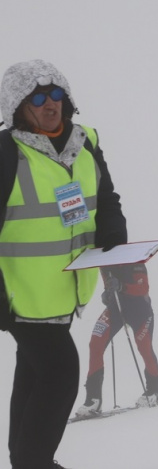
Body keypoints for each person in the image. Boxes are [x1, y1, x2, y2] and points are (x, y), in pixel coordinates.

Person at [0, 59, 127, 469]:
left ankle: (23, 458)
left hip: (67, 289)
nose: (49, 103)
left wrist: (113, 235)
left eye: (56, 94)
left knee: (35, 372)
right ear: (17, 106)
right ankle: (34, 462)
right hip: (21, 294)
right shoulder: (6, 153)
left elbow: (104, 199)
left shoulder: (84, 141)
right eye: (37, 96)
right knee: (60, 372)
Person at [74, 262, 158, 417]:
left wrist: (122, 287)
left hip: (140, 312)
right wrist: (107, 294)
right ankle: (93, 399)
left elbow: (143, 288)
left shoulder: (134, 260)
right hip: (116, 307)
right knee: (95, 343)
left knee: (144, 348)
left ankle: (154, 389)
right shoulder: (104, 262)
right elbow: (108, 286)